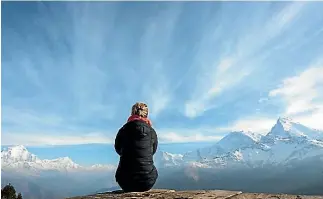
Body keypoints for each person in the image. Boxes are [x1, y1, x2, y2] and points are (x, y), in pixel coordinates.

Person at [114, 102, 158, 192]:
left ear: (132, 113)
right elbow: (152, 151)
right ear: (147, 114)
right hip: (147, 181)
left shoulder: (123, 130)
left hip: (125, 181)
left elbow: (118, 149)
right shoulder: (152, 132)